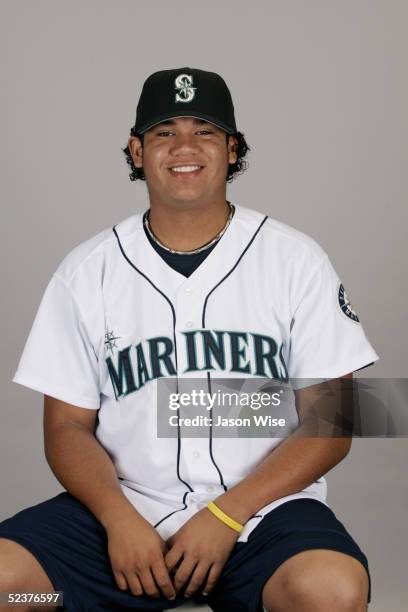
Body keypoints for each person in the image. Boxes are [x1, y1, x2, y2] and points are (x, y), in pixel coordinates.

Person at [0, 67, 379, 612]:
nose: (184, 146)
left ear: (232, 147)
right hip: (125, 513)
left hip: (262, 518)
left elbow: (332, 422)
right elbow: (65, 426)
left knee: (332, 591)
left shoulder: (294, 260)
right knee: (9, 584)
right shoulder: (88, 270)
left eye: (203, 129)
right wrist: (116, 518)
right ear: (136, 150)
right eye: (163, 132)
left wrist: (227, 516)